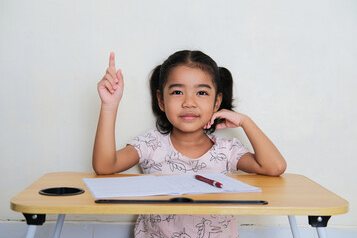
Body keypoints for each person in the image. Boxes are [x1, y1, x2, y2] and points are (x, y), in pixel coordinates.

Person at [93, 50, 287, 238]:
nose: (189, 102)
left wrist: (246, 122)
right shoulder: (151, 144)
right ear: (161, 100)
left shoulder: (226, 150)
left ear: (217, 101)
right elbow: (104, 166)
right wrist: (110, 106)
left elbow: (274, 166)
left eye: (201, 93)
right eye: (177, 92)